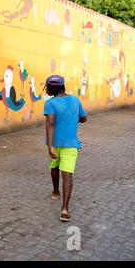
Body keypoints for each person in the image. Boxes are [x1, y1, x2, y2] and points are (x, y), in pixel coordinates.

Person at [44, 75, 87, 222]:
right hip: (70, 144)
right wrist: (76, 118)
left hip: (54, 143)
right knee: (67, 175)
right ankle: (65, 209)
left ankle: (56, 191)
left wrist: (50, 147)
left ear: (51, 88)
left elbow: (50, 124)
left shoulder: (50, 103)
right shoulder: (75, 100)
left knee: (54, 166)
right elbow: (84, 118)